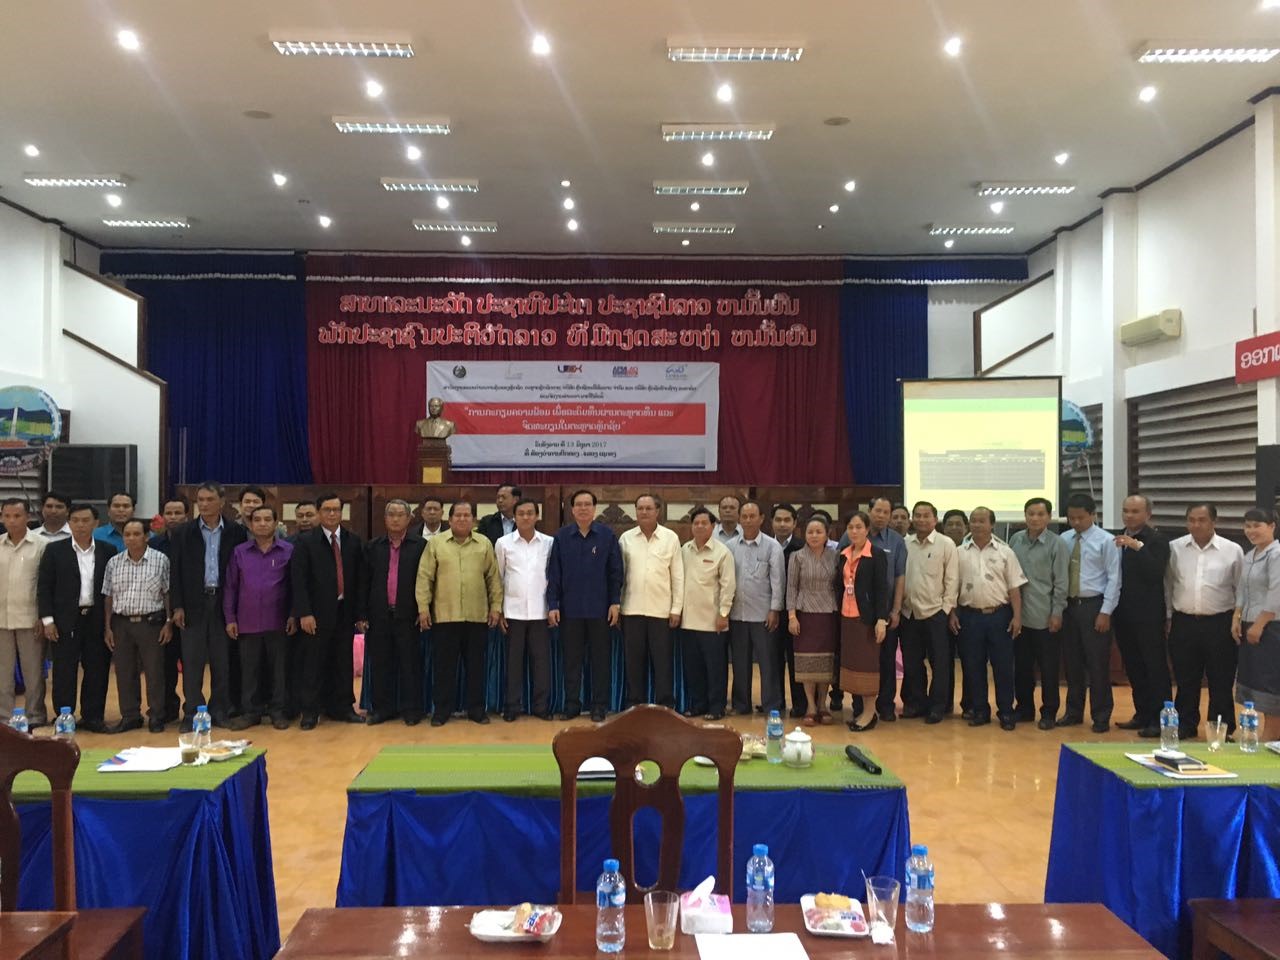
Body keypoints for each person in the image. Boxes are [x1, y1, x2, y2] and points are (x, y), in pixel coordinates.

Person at [415, 501, 502, 726]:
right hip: (445, 616)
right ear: (450, 519)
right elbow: (425, 577)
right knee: (444, 668)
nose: (462, 519)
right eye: (458, 515)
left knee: (476, 667)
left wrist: (496, 607)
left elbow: (493, 578)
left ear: (474, 520)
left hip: (477, 616)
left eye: (467, 515)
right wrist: (423, 608)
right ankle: (442, 711)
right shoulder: (436, 544)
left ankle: (476, 710)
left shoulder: (484, 544)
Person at [169, 481, 248, 728]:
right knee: (191, 663)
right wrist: (177, 606)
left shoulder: (236, 532)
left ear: (222, 502)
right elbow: (175, 572)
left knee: (221, 661)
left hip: (223, 602)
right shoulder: (184, 532)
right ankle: (192, 712)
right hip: (193, 603)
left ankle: (220, 710)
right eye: (200, 500)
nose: (204, 504)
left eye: (209, 499)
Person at [37, 502, 116, 733]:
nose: (80, 525)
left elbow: (112, 587)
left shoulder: (107, 550)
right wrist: (48, 621)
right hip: (65, 619)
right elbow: (44, 587)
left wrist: (110, 624)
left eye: (85, 520)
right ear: (69, 523)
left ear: (96, 523)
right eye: (76, 521)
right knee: (64, 669)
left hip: (96, 617)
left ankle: (93, 717)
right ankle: (64, 715)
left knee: (97, 668)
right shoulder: (55, 550)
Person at [291, 492, 366, 729]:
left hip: (344, 611)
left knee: (342, 662)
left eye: (336, 510)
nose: (332, 514)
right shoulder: (305, 542)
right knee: (313, 663)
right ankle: (310, 711)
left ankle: (342, 707)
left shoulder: (353, 541)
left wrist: (360, 614)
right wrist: (304, 612)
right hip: (316, 614)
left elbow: (360, 580)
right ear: (319, 512)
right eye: (327, 510)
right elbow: (298, 581)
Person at [1167, 503, 1243, 740]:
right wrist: (1168, 617)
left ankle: (1221, 728)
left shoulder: (1232, 550)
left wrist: (1237, 618)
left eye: (1202, 520)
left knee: (1221, 679)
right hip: (1184, 622)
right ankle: (1185, 725)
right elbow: (1168, 584)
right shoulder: (1175, 548)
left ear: (1214, 522)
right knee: (1185, 679)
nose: (1196, 525)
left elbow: (1241, 588)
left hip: (1220, 623)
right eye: (1191, 520)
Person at [547, 489, 622, 723]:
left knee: (600, 661)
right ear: (572, 510)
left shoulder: (607, 536)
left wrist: (615, 602)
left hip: (600, 610)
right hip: (570, 611)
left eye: (587, 504)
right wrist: (553, 604)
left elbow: (615, 573)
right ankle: (572, 705)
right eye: (578, 504)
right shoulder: (562, 537)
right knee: (572, 661)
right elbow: (554, 574)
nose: (583, 508)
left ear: (594, 508)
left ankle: (599, 706)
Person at [951, 507, 1026, 730]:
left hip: (999, 616)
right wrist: (952, 613)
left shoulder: (1005, 552)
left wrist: (1017, 617)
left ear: (992, 524)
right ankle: (980, 711)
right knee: (973, 666)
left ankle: (1006, 712)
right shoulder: (959, 552)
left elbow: (1014, 588)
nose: (976, 524)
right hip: (969, 616)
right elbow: (952, 586)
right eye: (973, 521)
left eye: (982, 521)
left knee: (1003, 666)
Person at [223, 505, 295, 731]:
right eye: (257, 520)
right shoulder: (240, 552)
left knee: (279, 671)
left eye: (267, 519)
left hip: (279, 621)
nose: (262, 524)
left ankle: (278, 711)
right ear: (250, 524)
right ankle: (250, 712)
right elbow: (230, 587)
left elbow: (296, 586)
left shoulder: (288, 551)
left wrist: (293, 614)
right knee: (249, 671)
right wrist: (230, 618)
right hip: (247, 621)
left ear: (275, 523)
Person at [839, 497, 909, 723]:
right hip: (851, 614)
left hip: (881, 612)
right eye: (877, 510)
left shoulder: (896, 541)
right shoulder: (847, 541)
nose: (881, 515)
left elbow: (898, 577)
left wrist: (894, 610)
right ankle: (860, 707)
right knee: (858, 661)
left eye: (886, 512)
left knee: (885, 661)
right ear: (870, 511)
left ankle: (885, 706)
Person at [101, 518, 173, 733]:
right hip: (121, 623)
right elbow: (108, 596)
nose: (131, 538)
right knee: (124, 672)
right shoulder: (114, 562)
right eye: (127, 534)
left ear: (147, 536)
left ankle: (157, 715)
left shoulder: (160, 560)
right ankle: (130, 716)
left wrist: (168, 622)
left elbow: (167, 593)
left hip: (150, 623)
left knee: (154, 672)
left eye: (136, 534)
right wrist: (107, 627)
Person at [1058, 492, 1122, 733]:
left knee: (1097, 664)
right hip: (1069, 606)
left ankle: (1101, 715)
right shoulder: (1064, 539)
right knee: (1072, 663)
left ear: (1093, 515)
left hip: (1094, 606)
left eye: (1080, 518)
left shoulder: (1106, 541)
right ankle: (1073, 712)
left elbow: (1114, 578)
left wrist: (1106, 612)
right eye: (1071, 518)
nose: (1075, 522)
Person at [362, 499, 426, 726]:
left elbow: (427, 580)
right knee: (381, 664)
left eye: (400, 515)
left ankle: (412, 710)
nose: (396, 519)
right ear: (385, 518)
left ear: (409, 519)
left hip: (409, 616)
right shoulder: (373, 547)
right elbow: (363, 582)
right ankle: (383, 709)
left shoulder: (421, 546)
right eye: (391, 514)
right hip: (379, 615)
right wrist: (362, 614)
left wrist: (424, 609)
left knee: (410, 664)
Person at [1111, 495, 1172, 736]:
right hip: (1123, 613)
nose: (1129, 515)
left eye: (1135, 511)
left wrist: (1138, 547)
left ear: (1148, 514)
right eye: (1126, 510)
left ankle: (1160, 719)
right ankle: (1142, 713)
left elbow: (1155, 572)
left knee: (1155, 668)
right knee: (1134, 667)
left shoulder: (1157, 540)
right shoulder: (1116, 538)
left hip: (1149, 616)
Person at [1009, 497, 1069, 730]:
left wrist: (1057, 612)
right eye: (1031, 514)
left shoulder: (1057, 544)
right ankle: (1024, 709)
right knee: (1022, 667)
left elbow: (1061, 582)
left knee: (1048, 669)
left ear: (1049, 517)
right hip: (1019, 617)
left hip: (1045, 616)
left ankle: (1049, 712)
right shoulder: (1016, 539)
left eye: (1040, 514)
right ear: (1025, 516)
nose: (1035, 518)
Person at [618, 494, 683, 709]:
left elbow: (677, 576)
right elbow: (619, 576)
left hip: (661, 612)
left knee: (662, 662)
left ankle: (665, 705)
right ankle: (634, 705)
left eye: (648, 508)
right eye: (640, 508)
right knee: (633, 663)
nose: (644, 512)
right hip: (631, 610)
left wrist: (676, 608)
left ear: (657, 511)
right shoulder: (626, 538)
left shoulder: (670, 538)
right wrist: (618, 606)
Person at [899, 501, 959, 724]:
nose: (921, 519)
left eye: (926, 516)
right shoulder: (905, 543)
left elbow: (952, 580)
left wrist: (946, 610)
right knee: (912, 663)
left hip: (936, 613)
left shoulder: (946, 544)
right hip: (909, 613)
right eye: (918, 515)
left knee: (940, 664)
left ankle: (937, 706)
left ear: (935, 519)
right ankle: (917, 703)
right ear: (912, 519)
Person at [495, 498, 554, 721]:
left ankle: (541, 706)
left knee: (541, 663)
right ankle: (512, 706)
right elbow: (499, 578)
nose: (526, 517)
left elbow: (553, 577)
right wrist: (500, 610)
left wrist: (553, 607)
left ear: (537, 516)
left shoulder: (548, 542)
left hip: (541, 612)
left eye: (530, 513)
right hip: (513, 612)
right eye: (521, 513)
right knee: (513, 663)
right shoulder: (503, 543)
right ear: (514, 516)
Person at [728, 500, 785, 715]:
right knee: (740, 663)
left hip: (763, 615)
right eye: (744, 516)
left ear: (761, 518)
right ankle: (741, 705)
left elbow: (778, 581)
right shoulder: (730, 546)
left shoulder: (772, 546)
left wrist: (774, 610)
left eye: (753, 516)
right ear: (739, 519)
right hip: (737, 614)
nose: (748, 520)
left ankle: (772, 705)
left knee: (768, 663)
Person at [836, 511, 890, 732]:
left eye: (859, 527)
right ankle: (861, 711)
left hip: (867, 619)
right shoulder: (843, 554)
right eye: (850, 527)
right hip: (847, 618)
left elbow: (882, 589)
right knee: (853, 666)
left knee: (868, 667)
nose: (854, 531)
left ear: (867, 529)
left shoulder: (876, 554)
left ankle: (870, 713)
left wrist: (881, 619)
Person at [680, 508, 735, 719]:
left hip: (713, 622)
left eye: (705, 523)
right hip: (688, 621)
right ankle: (698, 705)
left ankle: (716, 707)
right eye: (696, 523)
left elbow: (728, 586)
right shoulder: (684, 550)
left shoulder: (722, 552)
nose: (700, 526)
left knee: (715, 668)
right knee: (693, 668)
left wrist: (723, 614)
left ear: (713, 526)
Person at [787, 516, 840, 726]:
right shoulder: (797, 556)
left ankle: (822, 704)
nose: (814, 536)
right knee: (807, 663)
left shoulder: (835, 556)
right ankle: (810, 705)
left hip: (828, 613)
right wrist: (792, 616)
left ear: (827, 534)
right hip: (804, 614)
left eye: (819, 532)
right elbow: (791, 587)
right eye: (810, 532)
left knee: (825, 663)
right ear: (804, 534)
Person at [0, 498, 48, 726]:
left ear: (28, 517)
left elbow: (45, 585)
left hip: (31, 618)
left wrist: (43, 616)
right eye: (7, 516)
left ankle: (35, 715)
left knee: (33, 672)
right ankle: (4, 717)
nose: (12, 521)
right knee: (3, 673)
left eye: (17, 516)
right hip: (1, 618)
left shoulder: (41, 545)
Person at [1235, 508, 1280, 742]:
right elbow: (1242, 589)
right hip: (1249, 624)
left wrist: (1259, 624)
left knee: (1269, 684)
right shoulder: (1250, 554)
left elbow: (1276, 592)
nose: (1251, 530)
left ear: (1272, 526)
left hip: (1270, 627)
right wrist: (1237, 617)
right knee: (1254, 682)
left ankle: (1271, 737)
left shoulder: (1277, 554)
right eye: (1248, 526)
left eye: (1257, 526)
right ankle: (1260, 734)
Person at [149, 496, 190, 723]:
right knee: (165, 664)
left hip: (189, 613)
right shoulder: (154, 544)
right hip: (161, 613)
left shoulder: (195, 541)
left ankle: (191, 708)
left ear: (186, 515)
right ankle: (168, 708)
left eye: (178, 513)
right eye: (169, 513)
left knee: (191, 664)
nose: (173, 517)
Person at [771, 502, 808, 717]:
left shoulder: (802, 547)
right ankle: (775, 703)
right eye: (778, 520)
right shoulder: (767, 545)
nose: (782, 524)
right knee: (773, 660)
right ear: (771, 522)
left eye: (787, 520)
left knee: (796, 661)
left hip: (797, 615)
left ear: (794, 523)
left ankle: (800, 704)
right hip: (773, 613)